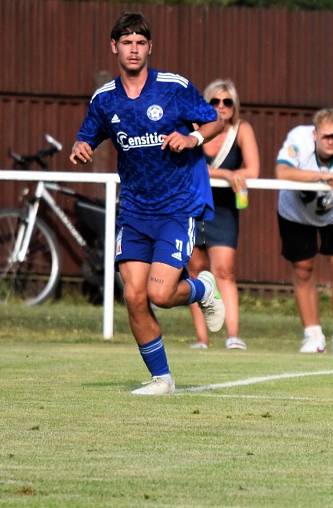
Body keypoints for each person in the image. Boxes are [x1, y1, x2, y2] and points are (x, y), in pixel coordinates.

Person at [69, 12, 225, 395]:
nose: (133, 49)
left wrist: (193, 140)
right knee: (134, 295)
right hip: (135, 210)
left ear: (149, 47)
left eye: (140, 43)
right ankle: (162, 378)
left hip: (177, 205)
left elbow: (215, 121)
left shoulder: (173, 87)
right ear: (114, 47)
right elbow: (88, 134)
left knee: (159, 293)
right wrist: (81, 145)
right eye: (127, 42)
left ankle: (202, 289)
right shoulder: (105, 99)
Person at [275, 108, 333, 354]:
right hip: (296, 212)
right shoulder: (299, 139)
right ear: (315, 134)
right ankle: (312, 335)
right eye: (327, 136)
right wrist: (322, 176)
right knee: (303, 269)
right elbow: (282, 172)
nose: (332, 141)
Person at [188, 79, 260, 351]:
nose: (221, 106)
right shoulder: (194, 129)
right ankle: (201, 338)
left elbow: (253, 170)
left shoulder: (242, 130)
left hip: (223, 209)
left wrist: (233, 175)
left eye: (227, 102)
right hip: (193, 207)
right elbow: (189, 167)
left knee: (224, 271)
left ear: (234, 106)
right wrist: (226, 174)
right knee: (194, 269)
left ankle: (232, 335)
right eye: (214, 101)